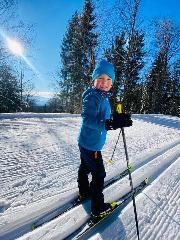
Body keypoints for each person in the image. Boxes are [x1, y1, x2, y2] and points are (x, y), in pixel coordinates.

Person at [77, 59, 132, 218]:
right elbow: (88, 119)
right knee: (99, 174)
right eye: (100, 79)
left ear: (112, 83)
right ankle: (98, 207)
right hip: (91, 145)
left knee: (85, 167)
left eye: (108, 79)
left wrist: (117, 119)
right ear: (94, 80)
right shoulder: (92, 97)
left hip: (86, 142)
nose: (104, 82)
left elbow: (105, 118)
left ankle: (84, 192)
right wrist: (108, 124)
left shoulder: (103, 97)